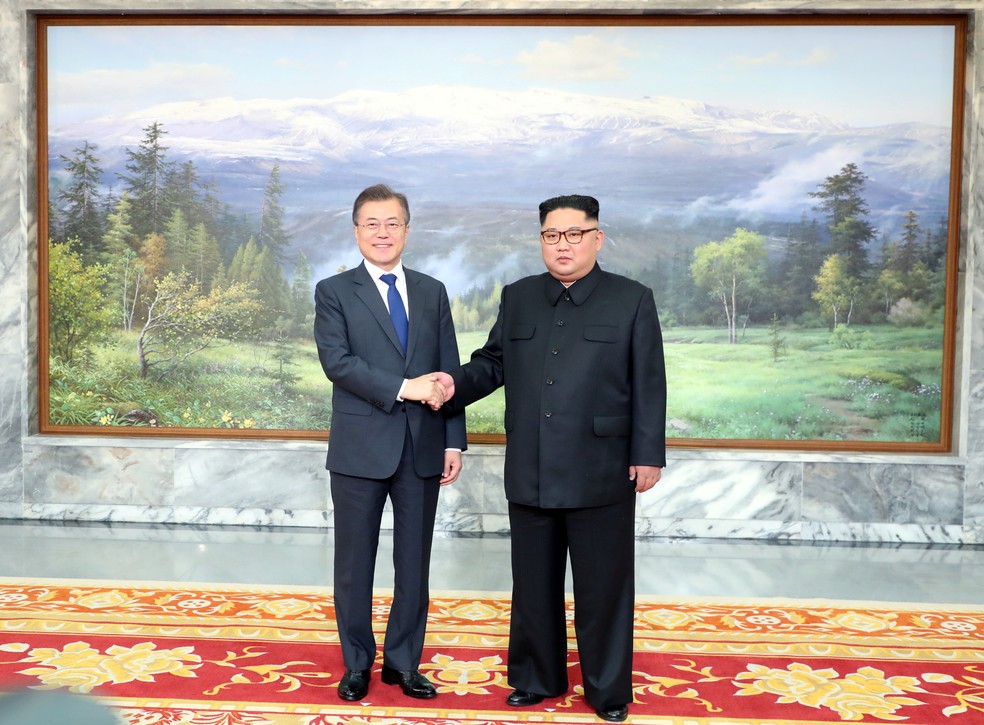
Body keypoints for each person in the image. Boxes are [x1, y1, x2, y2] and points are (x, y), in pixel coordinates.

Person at [434, 194, 666, 722]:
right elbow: (492, 363)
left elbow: (650, 382)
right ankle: (537, 679)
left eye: (573, 234)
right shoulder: (518, 297)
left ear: (596, 237)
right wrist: (451, 385)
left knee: (603, 586)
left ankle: (607, 689)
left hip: (602, 467)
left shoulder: (631, 299)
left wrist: (648, 453)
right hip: (532, 465)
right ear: (541, 240)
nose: (562, 245)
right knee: (533, 583)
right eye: (551, 236)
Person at [314, 183, 467, 702]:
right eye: (372, 224)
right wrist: (406, 388)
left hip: (424, 446)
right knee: (355, 564)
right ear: (356, 231)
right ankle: (357, 663)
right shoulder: (334, 292)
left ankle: (404, 663)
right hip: (360, 449)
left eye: (392, 223)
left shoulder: (431, 290)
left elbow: (449, 372)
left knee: (414, 562)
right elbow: (338, 364)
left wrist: (454, 441)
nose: (383, 233)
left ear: (407, 229)